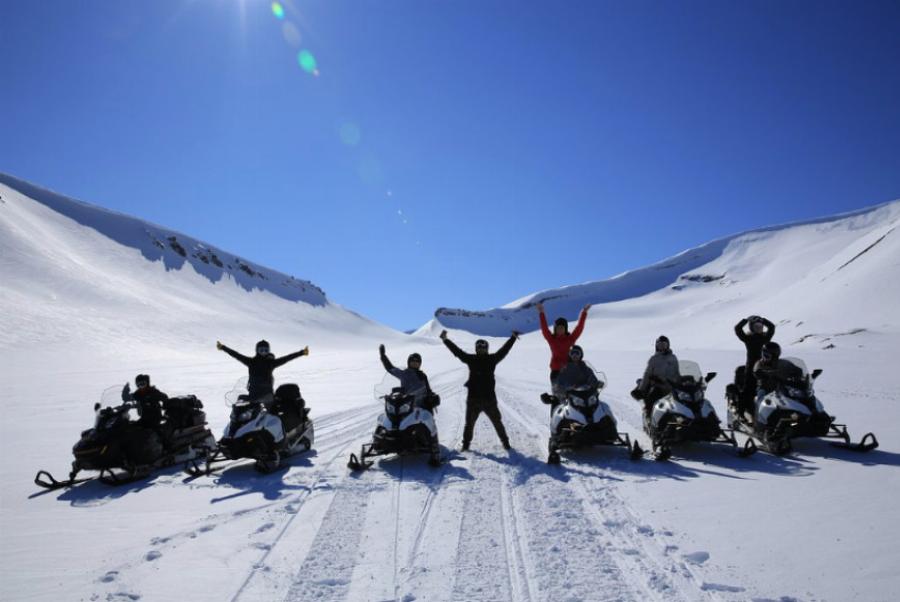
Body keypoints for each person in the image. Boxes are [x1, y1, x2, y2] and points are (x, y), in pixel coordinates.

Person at [440, 329, 518, 451]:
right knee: (469, 424)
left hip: (489, 399)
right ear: (476, 349)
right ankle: (466, 446)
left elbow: (504, 351)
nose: (481, 349)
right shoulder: (471, 359)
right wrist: (445, 340)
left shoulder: (492, 359)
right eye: (479, 347)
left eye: (483, 347)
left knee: (497, 422)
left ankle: (506, 443)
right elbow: (458, 352)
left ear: (487, 348)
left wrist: (512, 338)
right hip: (473, 400)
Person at [217, 339, 309, 405]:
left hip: (267, 397)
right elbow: (236, 355)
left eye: (266, 350)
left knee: (272, 416)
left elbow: (287, 358)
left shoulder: (271, 363)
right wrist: (223, 347)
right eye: (261, 350)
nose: (264, 352)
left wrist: (301, 353)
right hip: (253, 396)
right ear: (257, 351)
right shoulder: (251, 362)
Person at [537, 302, 591, 384]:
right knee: (559, 395)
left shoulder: (571, 339)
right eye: (558, 328)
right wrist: (541, 312)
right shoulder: (552, 339)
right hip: (556, 372)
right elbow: (544, 329)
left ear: (565, 329)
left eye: (562, 327)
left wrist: (584, 312)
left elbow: (579, 328)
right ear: (555, 329)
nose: (560, 329)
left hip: (569, 371)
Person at [733, 315, 776, 414]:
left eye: (760, 327)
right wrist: (745, 320)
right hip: (751, 368)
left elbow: (772, 328)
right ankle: (742, 412)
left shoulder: (765, 338)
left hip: (765, 368)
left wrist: (763, 320)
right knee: (748, 390)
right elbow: (738, 329)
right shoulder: (748, 338)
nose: (759, 329)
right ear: (752, 327)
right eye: (756, 327)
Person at [630, 336, 681, 417]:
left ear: (668, 346)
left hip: (671, 387)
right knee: (651, 398)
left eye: (664, 345)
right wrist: (642, 389)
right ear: (656, 346)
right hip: (658, 386)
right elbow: (647, 374)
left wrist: (683, 383)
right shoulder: (654, 359)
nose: (662, 347)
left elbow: (677, 373)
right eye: (660, 345)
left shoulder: (673, 358)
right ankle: (650, 418)